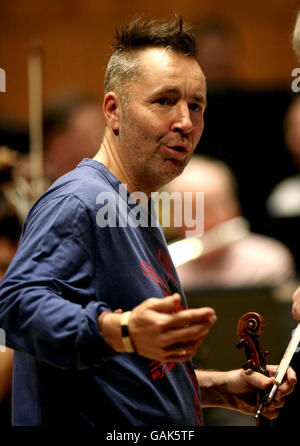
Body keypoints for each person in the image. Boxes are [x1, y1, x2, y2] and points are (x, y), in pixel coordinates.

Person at [0, 16, 295, 427]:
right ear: (113, 110)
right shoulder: (79, 200)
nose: (186, 122)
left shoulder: (134, 208)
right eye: (164, 101)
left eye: (196, 106)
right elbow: (16, 304)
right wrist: (123, 329)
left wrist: (212, 387)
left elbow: (124, 373)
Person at [165, 155, 295, 290]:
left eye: (208, 210)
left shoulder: (268, 262)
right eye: (188, 212)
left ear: (233, 208)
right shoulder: (163, 268)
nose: (197, 222)